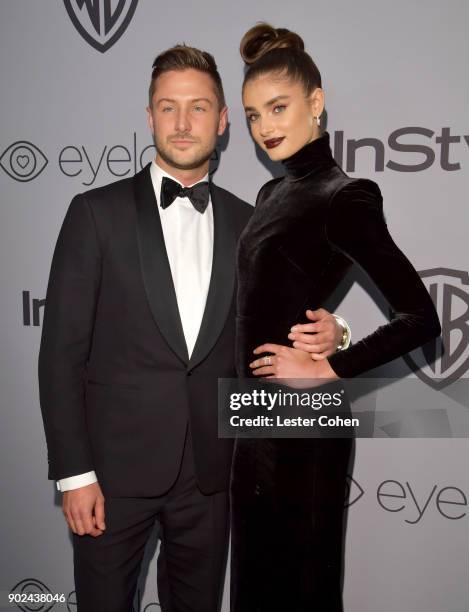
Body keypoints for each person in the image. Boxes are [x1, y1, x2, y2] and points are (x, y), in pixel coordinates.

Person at [38, 44, 346, 612]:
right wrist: (73, 474)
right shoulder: (94, 213)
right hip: (110, 479)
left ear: (224, 121)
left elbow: (281, 321)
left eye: (199, 108)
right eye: (168, 107)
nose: (183, 124)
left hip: (210, 477)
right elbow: (60, 355)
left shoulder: (249, 222)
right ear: (150, 115)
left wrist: (337, 330)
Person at [230, 24, 441, 612]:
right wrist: (336, 329)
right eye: (252, 115)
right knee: (254, 587)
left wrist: (334, 367)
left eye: (279, 107)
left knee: (302, 591)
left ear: (315, 102)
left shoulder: (343, 196)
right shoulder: (273, 195)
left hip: (306, 428)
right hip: (256, 422)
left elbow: (422, 318)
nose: (266, 126)